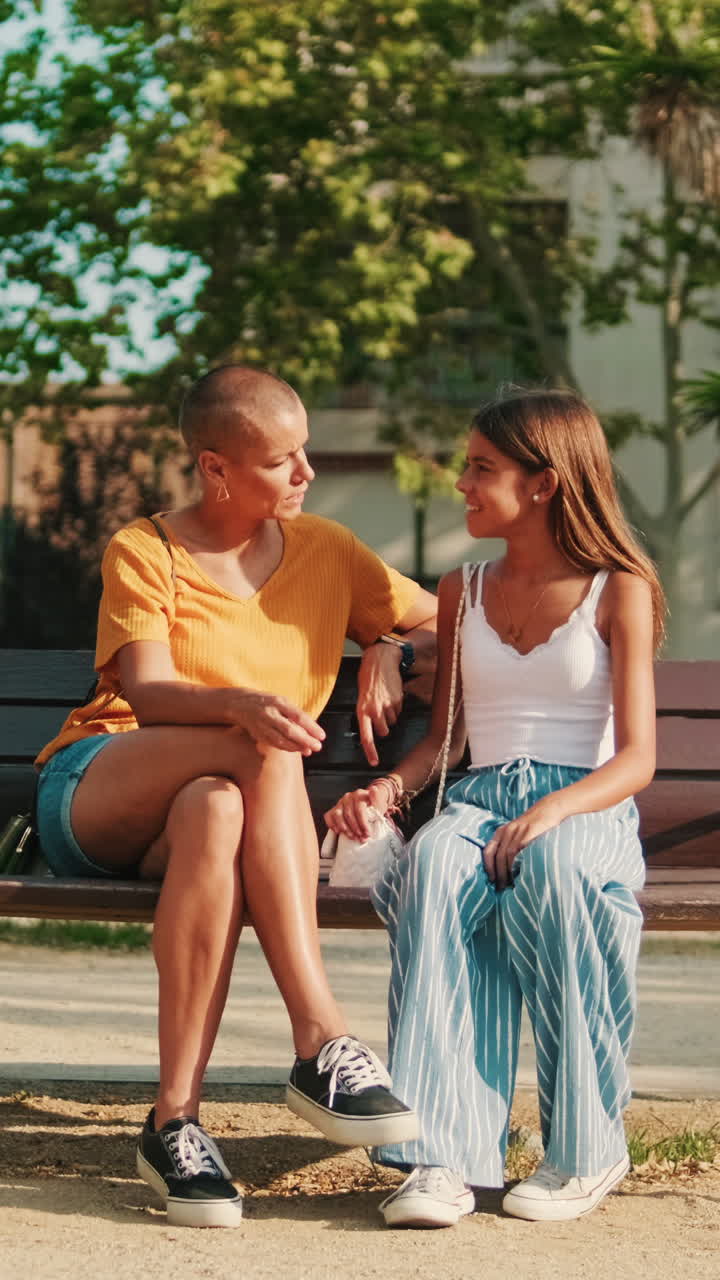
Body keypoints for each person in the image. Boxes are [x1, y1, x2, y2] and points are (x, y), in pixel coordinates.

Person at [34, 364, 438, 1228]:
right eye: (282, 460)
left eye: (304, 455)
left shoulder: (329, 552)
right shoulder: (146, 549)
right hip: (103, 784)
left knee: (219, 807)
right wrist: (243, 706)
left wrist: (388, 649)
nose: (306, 474)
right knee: (260, 745)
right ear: (217, 468)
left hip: (209, 806)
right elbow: (147, 694)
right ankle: (322, 1038)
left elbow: (443, 621)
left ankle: (172, 1122)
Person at [326, 387, 664, 1229]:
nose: (464, 485)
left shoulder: (617, 589)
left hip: (585, 805)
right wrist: (388, 790)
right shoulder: (462, 589)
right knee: (437, 858)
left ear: (544, 483)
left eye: (483, 469)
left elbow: (638, 760)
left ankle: (588, 1149)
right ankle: (443, 1160)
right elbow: (446, 746)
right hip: (480, 802)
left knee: (553, 866)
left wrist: (553, 812)